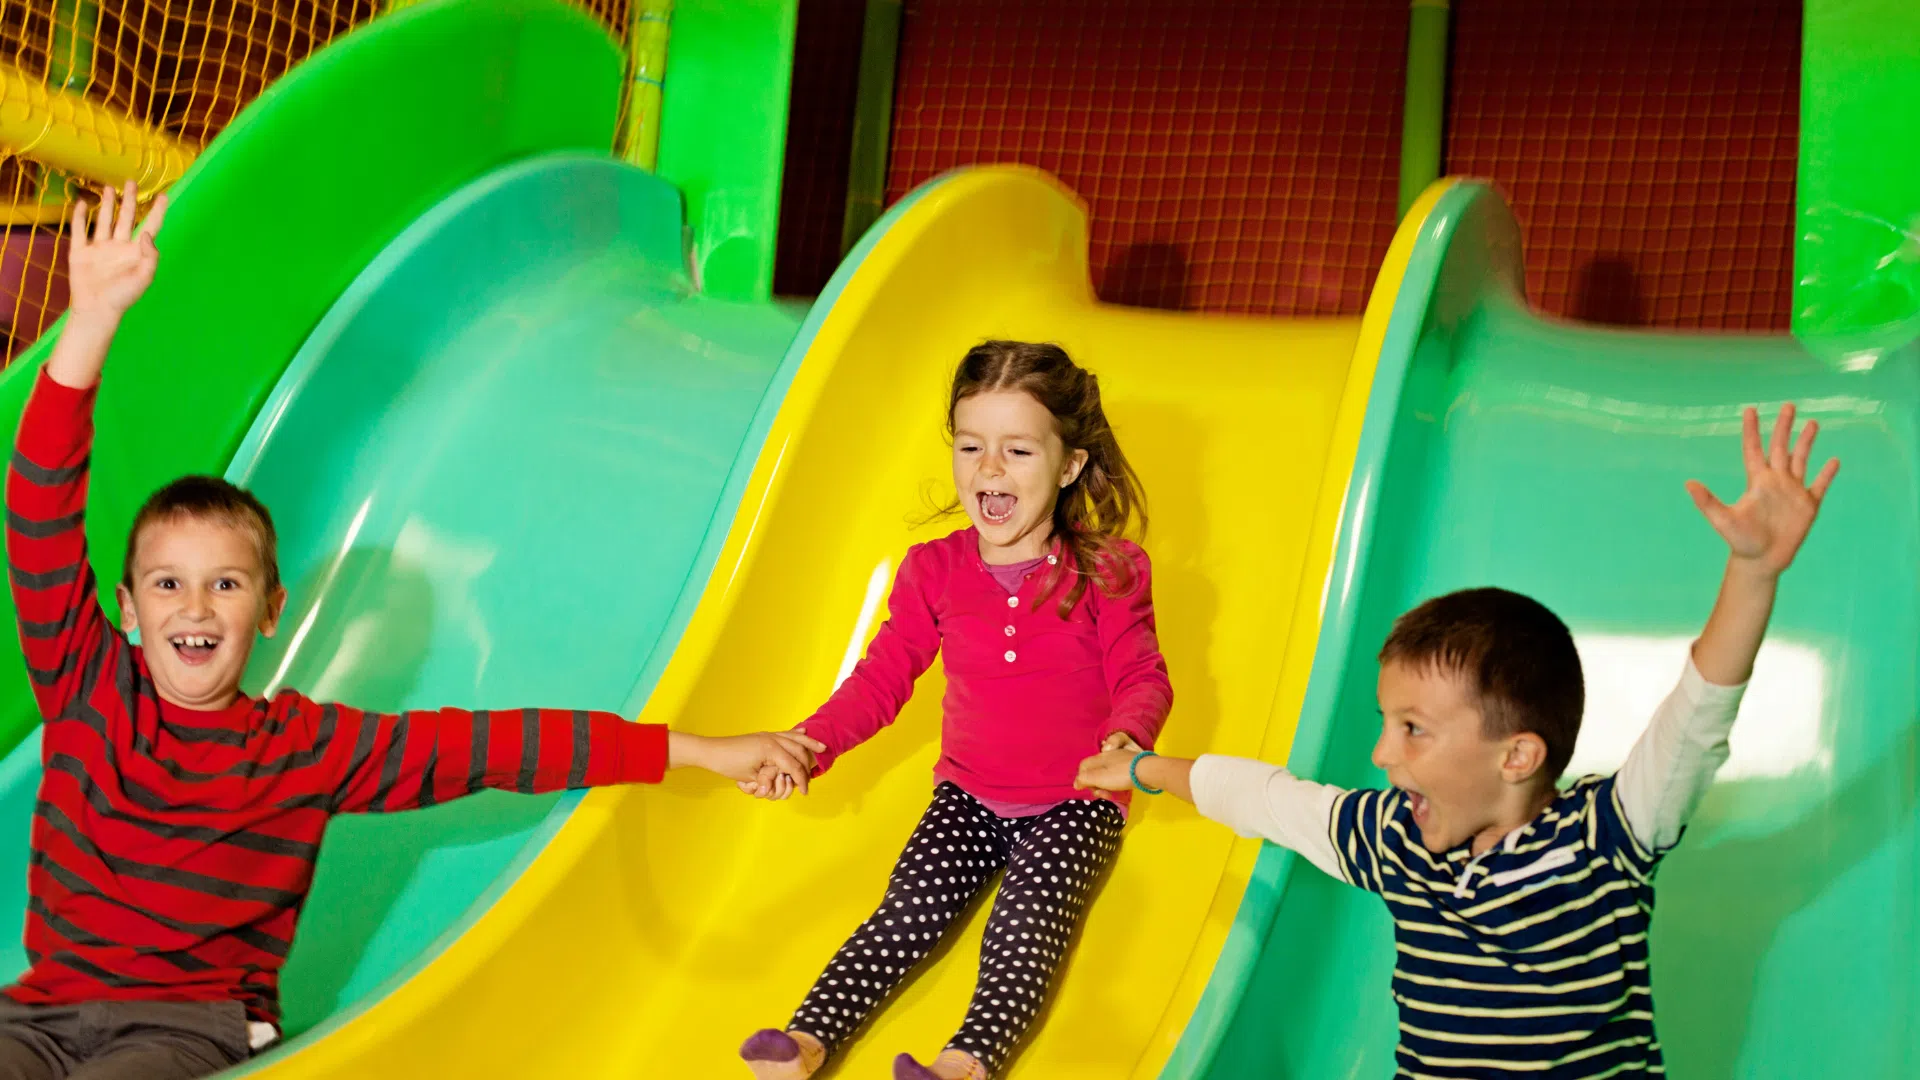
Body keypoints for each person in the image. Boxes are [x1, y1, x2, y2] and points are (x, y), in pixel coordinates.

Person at [0, 184, 823, 1080]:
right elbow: (39, 507)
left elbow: (503, 747)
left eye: (225, 585)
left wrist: (698, 750)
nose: (194, 608)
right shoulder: (89, 688)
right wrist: (89, 327)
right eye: (168, 585)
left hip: (182, 1029)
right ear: (128, 610)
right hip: (40, 1011)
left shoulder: (305, 747)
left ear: (271, 611)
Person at [1077, 401, 1838, 1078]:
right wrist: (1145, 768)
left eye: (1413, 730)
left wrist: (1753, 573)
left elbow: (1695, 721)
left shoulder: (1603, 839)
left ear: (1518, 755)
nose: (1381, 754)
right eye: (1386, 724)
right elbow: (1268, 800)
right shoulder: (1397, 840)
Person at [739, 341, 1172, 1080]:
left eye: (1017, 450)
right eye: (970, 446)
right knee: (905, 912)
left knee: (1022, 932)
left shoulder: (1109, 568)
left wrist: (1127, 738)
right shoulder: (933, 569)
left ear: (1069, 465)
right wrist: (808, 742)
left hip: (1076, 800)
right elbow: (880, 680)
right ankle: (807, 1040)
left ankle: (963, 1064)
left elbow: (1142, 670)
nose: (989, 469)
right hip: (967, 794)